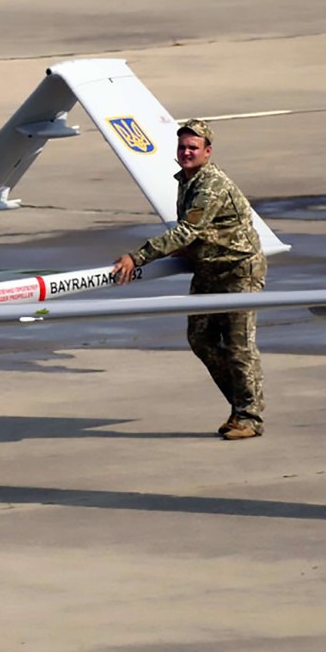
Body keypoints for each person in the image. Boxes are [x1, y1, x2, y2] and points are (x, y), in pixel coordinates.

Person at [110, 119, 267, 440]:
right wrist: (190, 248)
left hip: (238, 270)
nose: (186, 153)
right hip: (209, 269)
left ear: (208, 152)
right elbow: (196, 230)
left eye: (193, 148)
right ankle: (241, 408)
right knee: (201, 339)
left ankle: (249, 417)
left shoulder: (210, 184)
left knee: (239, 347)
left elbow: (187, 229)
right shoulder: (188, 179)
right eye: (182, 147)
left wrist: (137, 256)